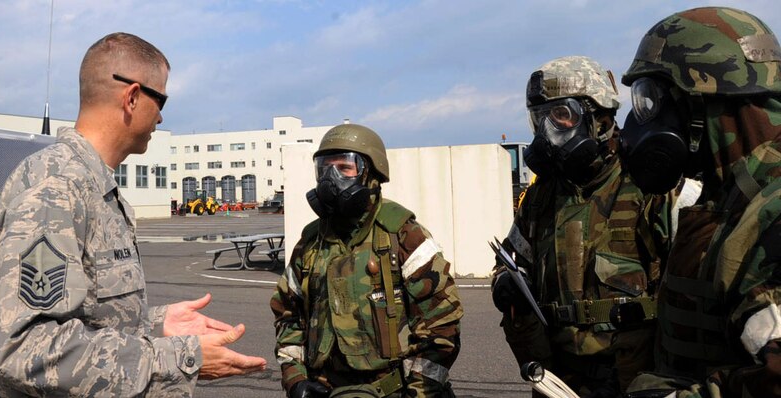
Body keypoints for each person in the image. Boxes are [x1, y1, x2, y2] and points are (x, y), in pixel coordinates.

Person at [0, 32, 266, 396]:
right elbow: (25, 349)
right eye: (160, 100)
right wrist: (179, 357)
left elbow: (88, 318)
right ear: (132, 96)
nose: (160, 116)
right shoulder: (56, 190)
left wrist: (156, 323)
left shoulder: (94, 188)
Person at [617, 7, 781, 398]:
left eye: (649, 101)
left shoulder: (771, 215)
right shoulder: (732, 197)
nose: (639, 123)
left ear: (699, 103)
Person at [491, 56, 675, 397]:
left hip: (635, 380)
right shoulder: (540, 198)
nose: (549, 131)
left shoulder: (649, 186)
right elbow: (509, 261)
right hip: (557, 382)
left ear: (600, 117)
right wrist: (504, 282)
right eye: (540, 119)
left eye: (561, 116)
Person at [271, 123, 464, 397]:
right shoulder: (310, 244)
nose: (331, 178)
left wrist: (420, 392)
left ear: (372, 175)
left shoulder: (404, 235)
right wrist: (296, 380)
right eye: (325, 168)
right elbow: (288, 316)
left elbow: (441, 326)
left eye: (345, 167)